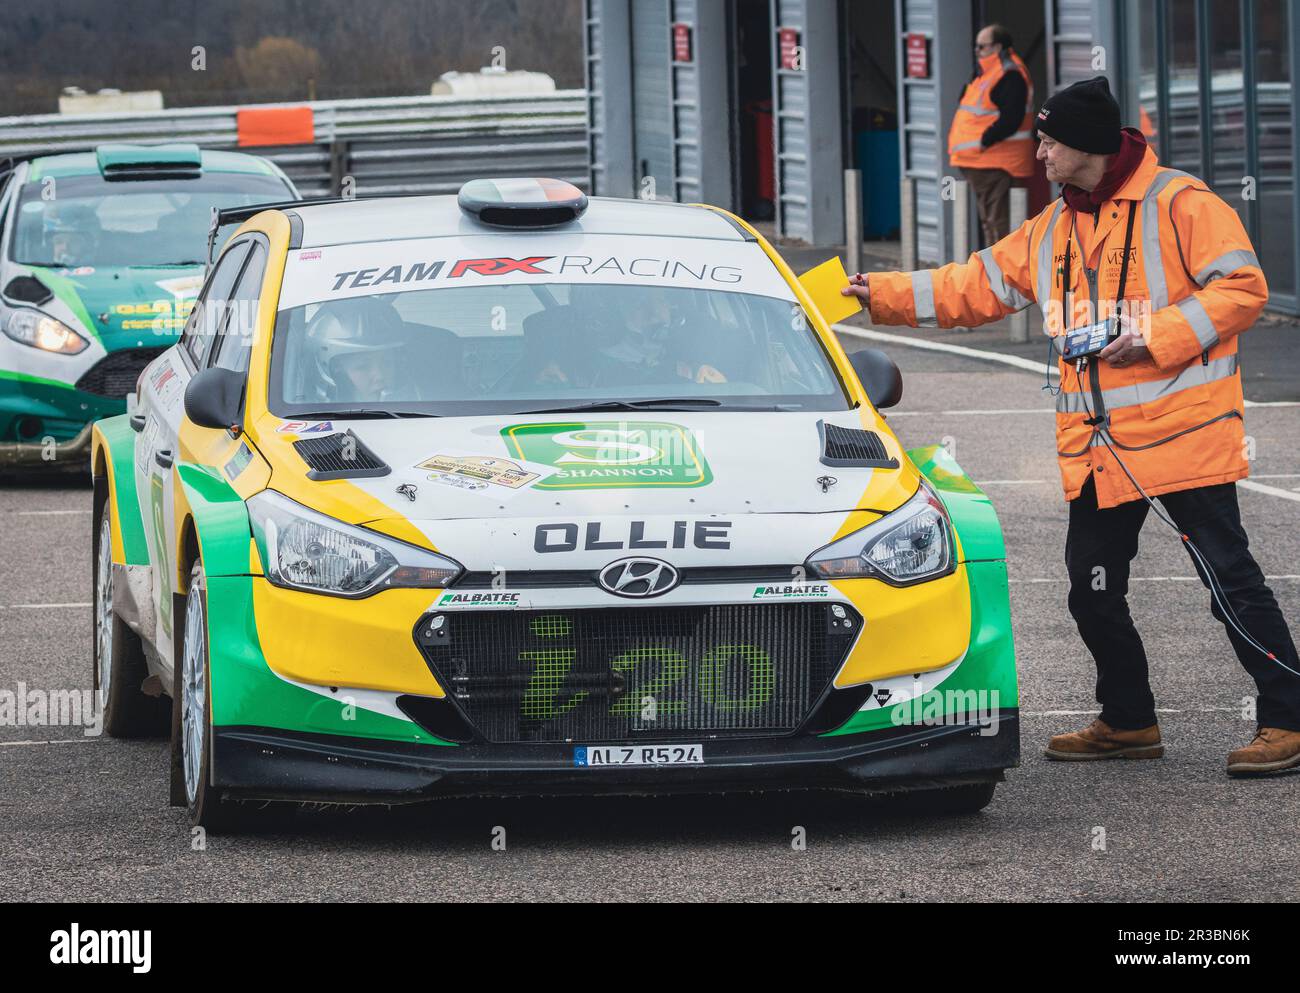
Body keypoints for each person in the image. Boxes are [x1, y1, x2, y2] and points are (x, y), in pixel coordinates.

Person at [843, 75, 1300, 777]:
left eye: (1050, 141)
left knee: (1229, 581)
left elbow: (1243, 289)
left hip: (1181, 435)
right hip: (1100, 446)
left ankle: (1288, 718)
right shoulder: (1054, 224)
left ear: (1086, 146)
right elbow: (975, 285)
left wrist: (1154, 332)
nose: (1039, 154)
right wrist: (882, 295)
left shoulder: (1181, 203)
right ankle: (1128, 718)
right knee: (1091, 588)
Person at [948, 24, 1035, 244]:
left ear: (997, 46)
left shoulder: (1008, 74)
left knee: (998, 224)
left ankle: (1001, 275)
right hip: (982, 161)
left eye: (982, 46)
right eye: (975, 46)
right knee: (991, 221)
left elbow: (1011, 119)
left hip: (995, 161)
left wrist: (984, 141)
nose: (977, 51)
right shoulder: (987, 72)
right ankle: (993, 273)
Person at [304, 298, 410, 402]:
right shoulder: (310, 412)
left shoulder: (417, 399)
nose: (380, 376)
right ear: (336, 371)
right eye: (363, 367)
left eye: (387, 362)